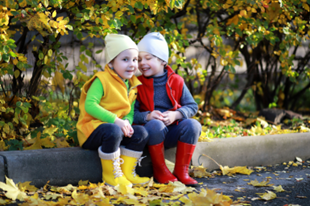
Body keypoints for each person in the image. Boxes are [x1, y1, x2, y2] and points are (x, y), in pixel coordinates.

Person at [76, 34, 150, 187]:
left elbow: (129, 111)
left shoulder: (132, 84)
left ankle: (127, 173)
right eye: (125, 59)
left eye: (135, 60)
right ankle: (111, 177)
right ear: (111, 63)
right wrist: (117, 121)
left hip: (115, 129)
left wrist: (127, 123)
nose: (132, 64)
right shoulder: (101, 79)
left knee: (141, 133)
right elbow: (90, 105)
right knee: (113, 131)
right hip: (92, 130)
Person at [133, 32, 202, 186]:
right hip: (151, 133)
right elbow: (132, 114)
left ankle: (181, 171)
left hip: (172, 131)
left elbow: (192, 106)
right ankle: (160, 170)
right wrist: (148, 116)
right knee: (155, 124)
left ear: (163, 60)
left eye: (148, 58)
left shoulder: (176, 80)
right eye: (139, 59)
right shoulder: (137, 84)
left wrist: (176, 115)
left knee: (193, 125)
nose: (142, 63)